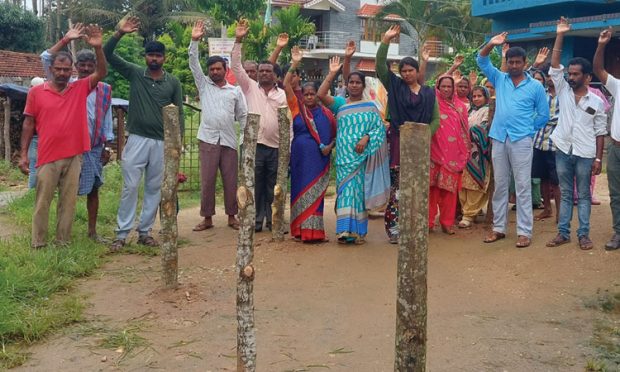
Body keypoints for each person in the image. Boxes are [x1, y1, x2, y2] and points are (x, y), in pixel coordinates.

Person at [18, 24, 107, 248]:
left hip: (74, 156)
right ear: (51, 69)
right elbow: (28, 124)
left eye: (67, 70)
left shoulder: (80, 88)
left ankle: (62, 242)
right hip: (47, 156)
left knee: (68, 203)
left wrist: (98, 48)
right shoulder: (37, 92)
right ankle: (38, 243)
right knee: (42, 202)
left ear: (72, 71)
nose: (62, 73)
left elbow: (102, 73)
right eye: (58, 68)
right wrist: (23, 155)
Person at [106, 17, 184, 251]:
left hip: (162, 142)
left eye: (158, 55)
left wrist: (177, 144)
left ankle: (144, 232)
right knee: (130, 186)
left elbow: (178, 113)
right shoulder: (135, 74)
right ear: (145, 57)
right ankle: (121, 234)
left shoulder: (173, 82)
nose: (154, 59)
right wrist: (119, 33)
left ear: (164, 58)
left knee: (153, 188)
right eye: (150, 55)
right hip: (137, 138)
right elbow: (108, 54)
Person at [41, 26, 115, 241]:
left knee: (94, 190)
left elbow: (107, 119)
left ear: (94, 67)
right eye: (81, 65)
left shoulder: (104, 89)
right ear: (75, 68)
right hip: (68, 147)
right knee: (64, 192)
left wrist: (107, 146)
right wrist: (65, 39)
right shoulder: (66, 85)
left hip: (92, 147)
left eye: (89, 65)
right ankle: (62, 234)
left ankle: (92, 232)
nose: (84, 69)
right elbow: (46, 58)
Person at [478, 32, 550, 248]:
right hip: (499, 137)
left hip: (521, 141)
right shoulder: (500, 79)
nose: (515, 65)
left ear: (525, 63)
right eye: (511, 62)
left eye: (518, 62)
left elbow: (543, 115)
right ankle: (499, 229)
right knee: (500, 184)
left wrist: (528, 130)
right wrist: (491, 43)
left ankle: (524, 232)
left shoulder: (535, 86)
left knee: (522, 186)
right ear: (507, 63)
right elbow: (481, 60)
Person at [545, 18, 607, 250]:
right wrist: (560, 34)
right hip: (563, 149)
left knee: (582, 194)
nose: (570, 77)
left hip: (585, 153)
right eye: (569, 74)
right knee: (565, 192)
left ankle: (583, 234)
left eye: (575, 74)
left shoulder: (597, 102)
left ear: (587, 77)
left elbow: (600, 132)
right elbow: (554, 65)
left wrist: (598, 159)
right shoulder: (562, 90)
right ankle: (563, 233)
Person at [376, 25, 439, 243]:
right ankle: (394, 230)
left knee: (418, 188)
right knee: (399, 190)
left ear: (417, 71)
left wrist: (422, 136)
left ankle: (415, 229)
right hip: (398, 143)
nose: (406, 73)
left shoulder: (429, 94)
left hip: (420, 146)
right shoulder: (395, 86)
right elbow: (380, 68)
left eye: (410, 70)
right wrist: (385, 40)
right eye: (403, 71)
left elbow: (436, 120)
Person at [317, 56, 389, 245]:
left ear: (363, 86)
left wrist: (366, 138)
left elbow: (379, 129)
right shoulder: (341, 103)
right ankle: (343, 231)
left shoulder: (371, 107)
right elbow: (321, 95)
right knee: (345, 192)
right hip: (343, 158)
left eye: (358, 83)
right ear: (347, 84)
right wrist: (332, 73)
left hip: (361, 157)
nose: (355, 85)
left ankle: (358, 232)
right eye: (351, 82)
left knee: (358, 194)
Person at [189, 20, 247, 232]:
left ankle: (232, 217)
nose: (214, 72)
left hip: (230, 141)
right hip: (208, 140)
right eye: (211, 69)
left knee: (231, 181)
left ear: (225, 70)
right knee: (208, 181)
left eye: (218, 68)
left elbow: (243, 116)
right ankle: (207, 218)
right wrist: (194, 41)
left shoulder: (234, 91)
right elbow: (193, 64)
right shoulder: (204, 86)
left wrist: (244, 139)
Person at [232, 19, 287, 233]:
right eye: (261, 70)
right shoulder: (249, 88)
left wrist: (286, 146)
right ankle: (255, 222)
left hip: (275, 149)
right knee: (253, 185)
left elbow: (287, 124)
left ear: (274, 75)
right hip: (254, 146)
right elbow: (236, 65)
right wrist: (238, 40)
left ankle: (273, 221)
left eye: (268, 71)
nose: (264, 73)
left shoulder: (281, 94)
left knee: (273, 186)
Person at [285, 46, 336, 242]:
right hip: (300, 157)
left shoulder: (327, 114)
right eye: (305, 94)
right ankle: (299, 230)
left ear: (317, 95)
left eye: (312, 94)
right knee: (299, 190)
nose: (308, 97)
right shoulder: (296, 108)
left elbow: (334, 135)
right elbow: (286, 84)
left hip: (318, 158)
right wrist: (295, 63)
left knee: (316, 195)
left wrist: (329, 147)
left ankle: (315, 232)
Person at [430, 75, 469, 234]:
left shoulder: (460, 107)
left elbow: (465, 131)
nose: (446, 89)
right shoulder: (432, 103)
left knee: (450, 191)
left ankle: (447, 222)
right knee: (432, 190)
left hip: (453, 154)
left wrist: (463, 152)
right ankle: (429, 222)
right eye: (443, 86)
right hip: (434, 151)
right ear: (438, 87)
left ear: (454, 88)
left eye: (449, 86)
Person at [593, 26, 620, 251]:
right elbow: (598, 69)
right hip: (616, 148)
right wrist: (602, 44)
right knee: (616, 193)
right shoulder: (619, 86)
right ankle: (619, 232)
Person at [458, 86, 491, 228]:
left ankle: (468, 215)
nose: (476, 99)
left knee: (475, 183)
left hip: (479, 153)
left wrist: (470, 131)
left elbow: (484, 128)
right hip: (464, 152)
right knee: (463, 183)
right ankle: (469, 211)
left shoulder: (488, 110)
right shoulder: (469, 110)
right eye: (474, 96)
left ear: (486, 97)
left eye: (480, 96)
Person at [531, 71, 561, 222]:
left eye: (552, 75)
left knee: (557, 180)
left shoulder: (565, 95)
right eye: (548, 75)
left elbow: (561, 119)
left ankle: (560, 214)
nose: (550, 78)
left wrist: (543, 119)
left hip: (556, 144)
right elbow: (535, 114)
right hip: (538, 141)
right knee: (543, 178)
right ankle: (547, 209)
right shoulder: (540, 94)